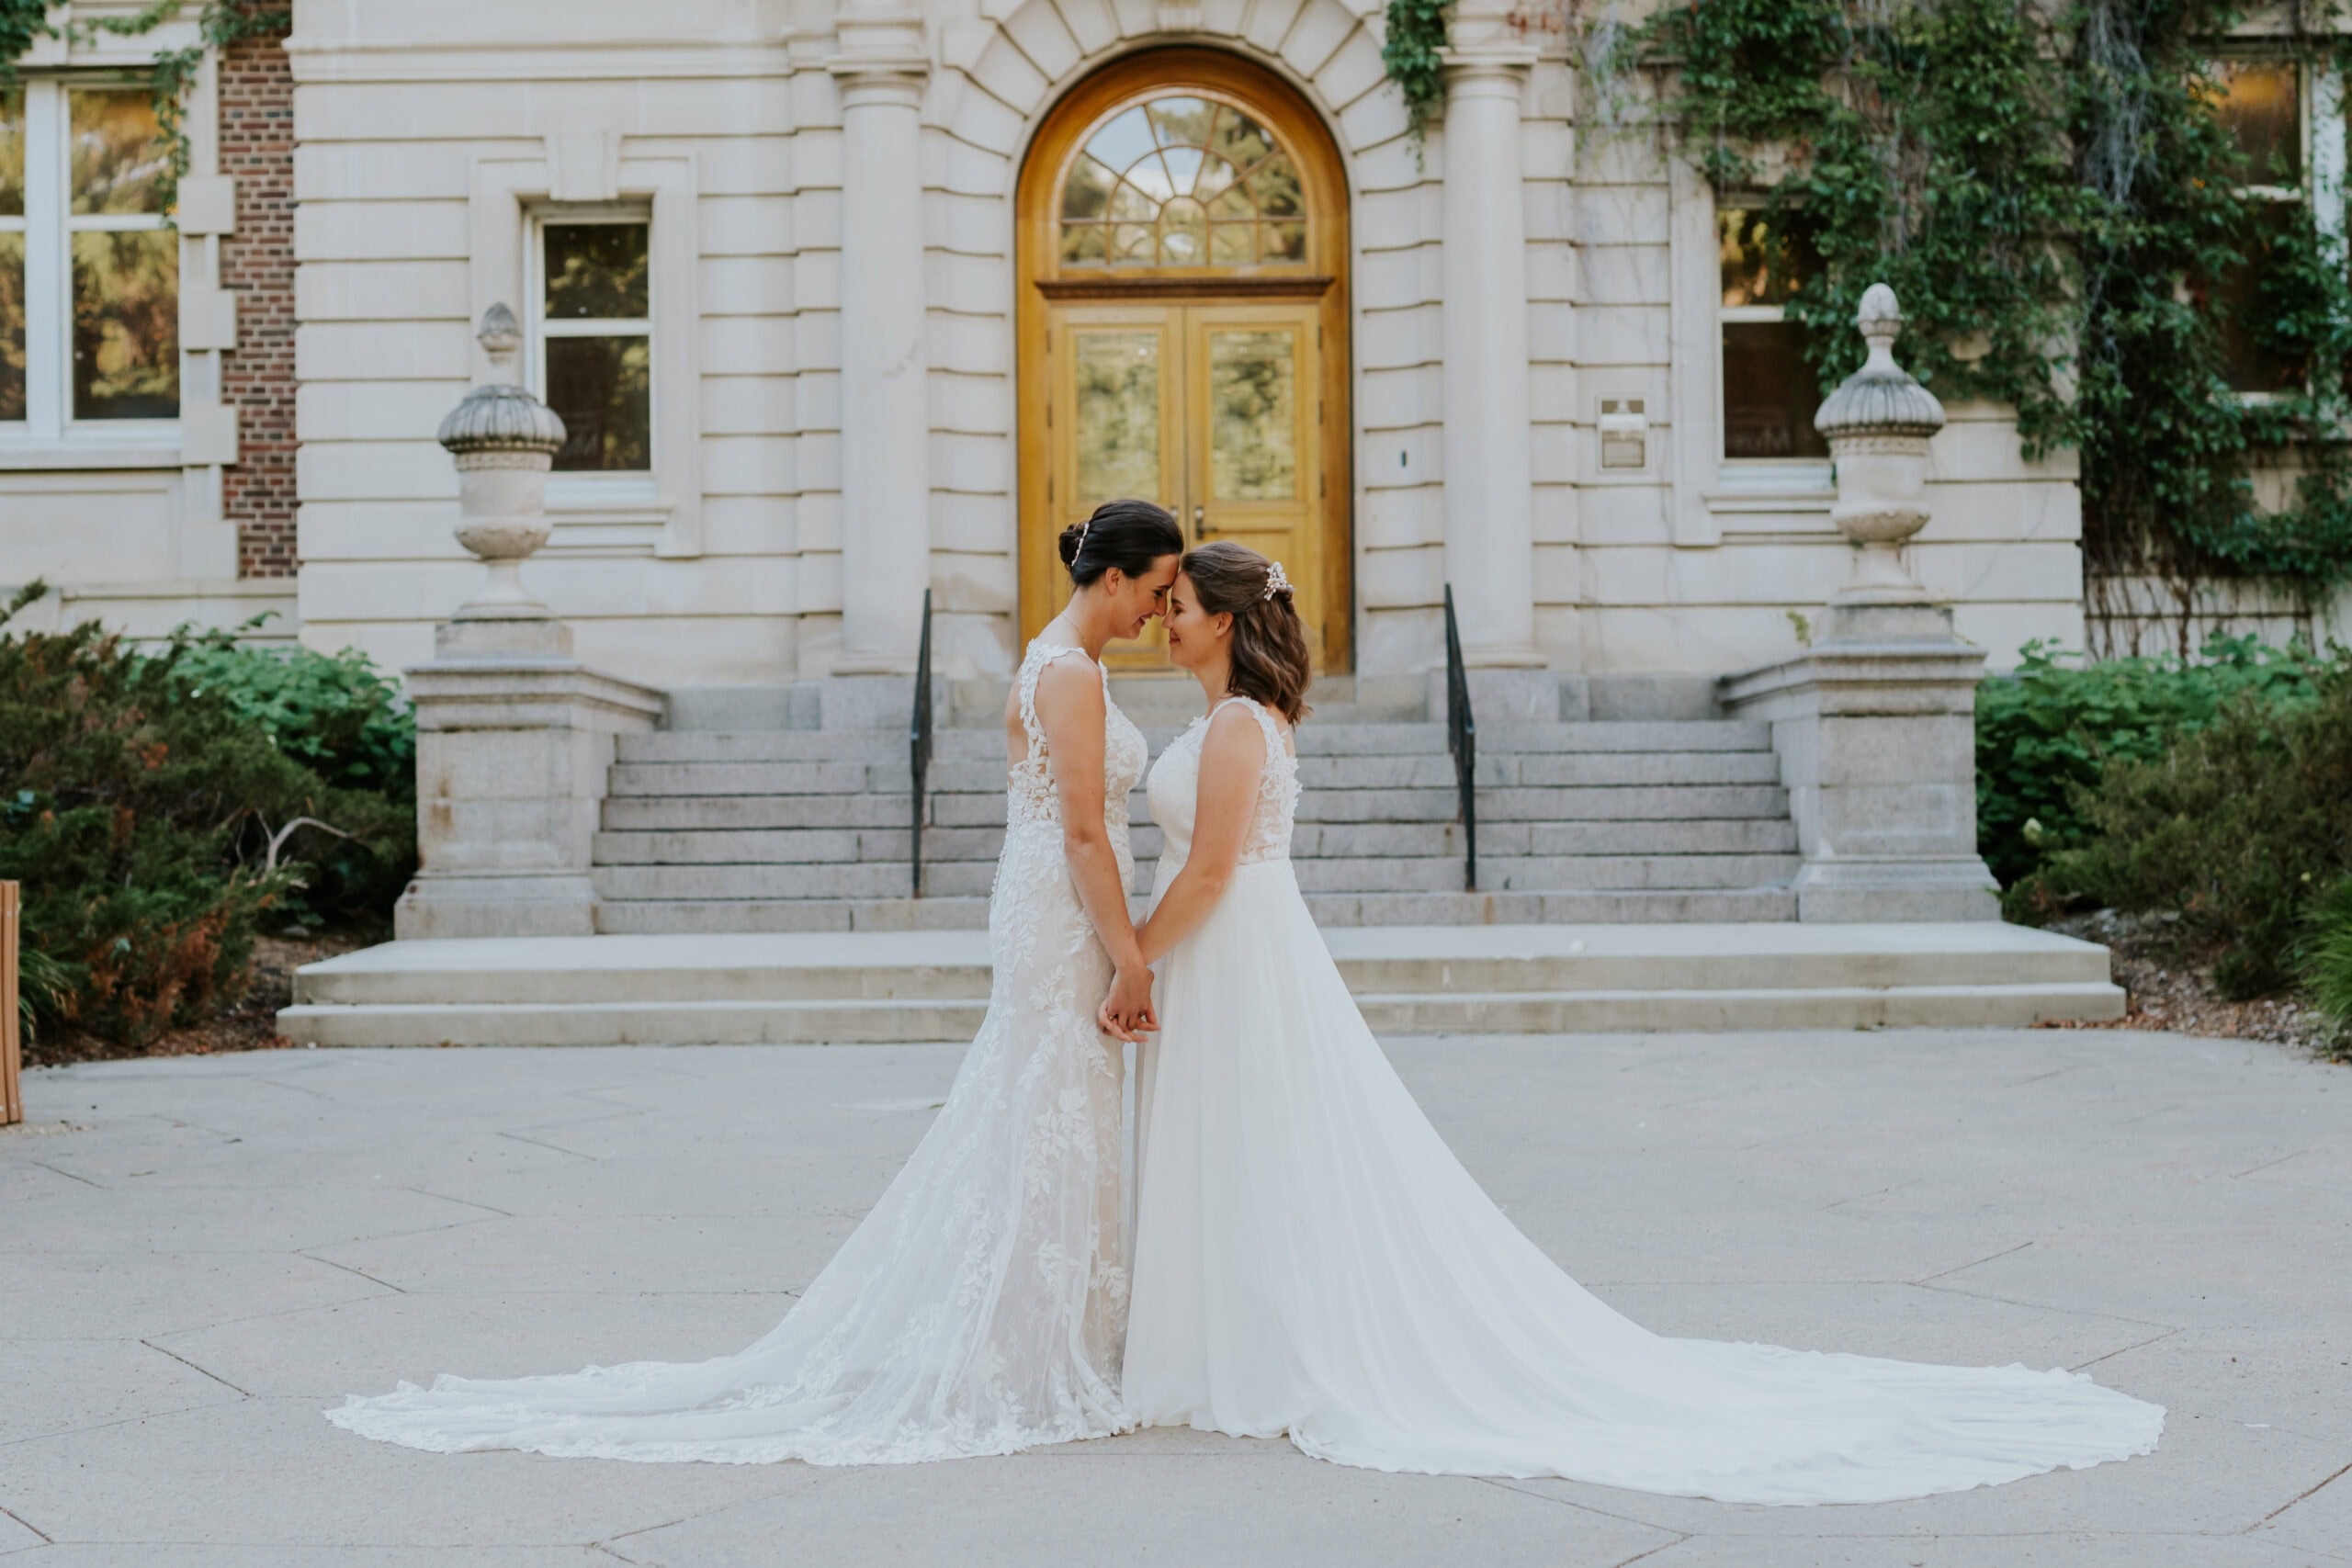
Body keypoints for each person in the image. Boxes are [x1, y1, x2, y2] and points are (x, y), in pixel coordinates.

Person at [1117, 539, 2166, 1506]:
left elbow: (1210, 871)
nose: (1167, 617)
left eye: (1181, 604)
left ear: (1226, 621)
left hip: (1237, 947)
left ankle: (1258, 1350)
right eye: (1165, 603)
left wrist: (1131, 959)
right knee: (1242, 1147)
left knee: (1253, 1138)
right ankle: (1229, 1340)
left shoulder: (1241, 727)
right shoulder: (1230, 723)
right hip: (1234, 953)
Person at [325, 499, 1183, 1465]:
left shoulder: (1056, 661)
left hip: (1051, 901)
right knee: (1051, 1111)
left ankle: (1041, 1339)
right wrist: (1130, 955)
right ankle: (1032, 1355)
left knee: (1048, 1111)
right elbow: (1077, 831)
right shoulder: (1067, 673)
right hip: (1065, 912)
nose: (1161, 608)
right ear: (1114, 577)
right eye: (1156, 589)